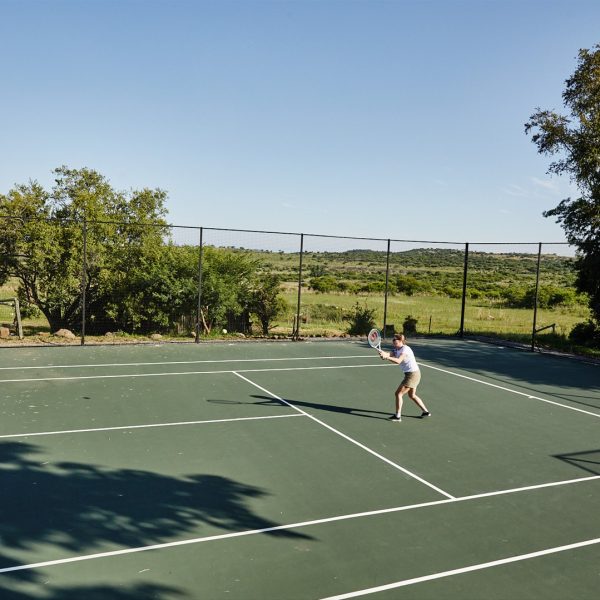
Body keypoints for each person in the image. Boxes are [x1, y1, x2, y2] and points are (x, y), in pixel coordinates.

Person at [378, 333, 431, 422]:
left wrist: (387, 357)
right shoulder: (396, 349)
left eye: (395, 340)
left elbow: (398, 361)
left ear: (400, 341)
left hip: (412, 375)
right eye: (393, 340)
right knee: (412, 395)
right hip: (412, 374)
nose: (393, 341)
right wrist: (384, 354)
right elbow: (389, 354)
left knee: (398, 394)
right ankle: (425, 411)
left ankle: (398, 416)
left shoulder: (405, 349)